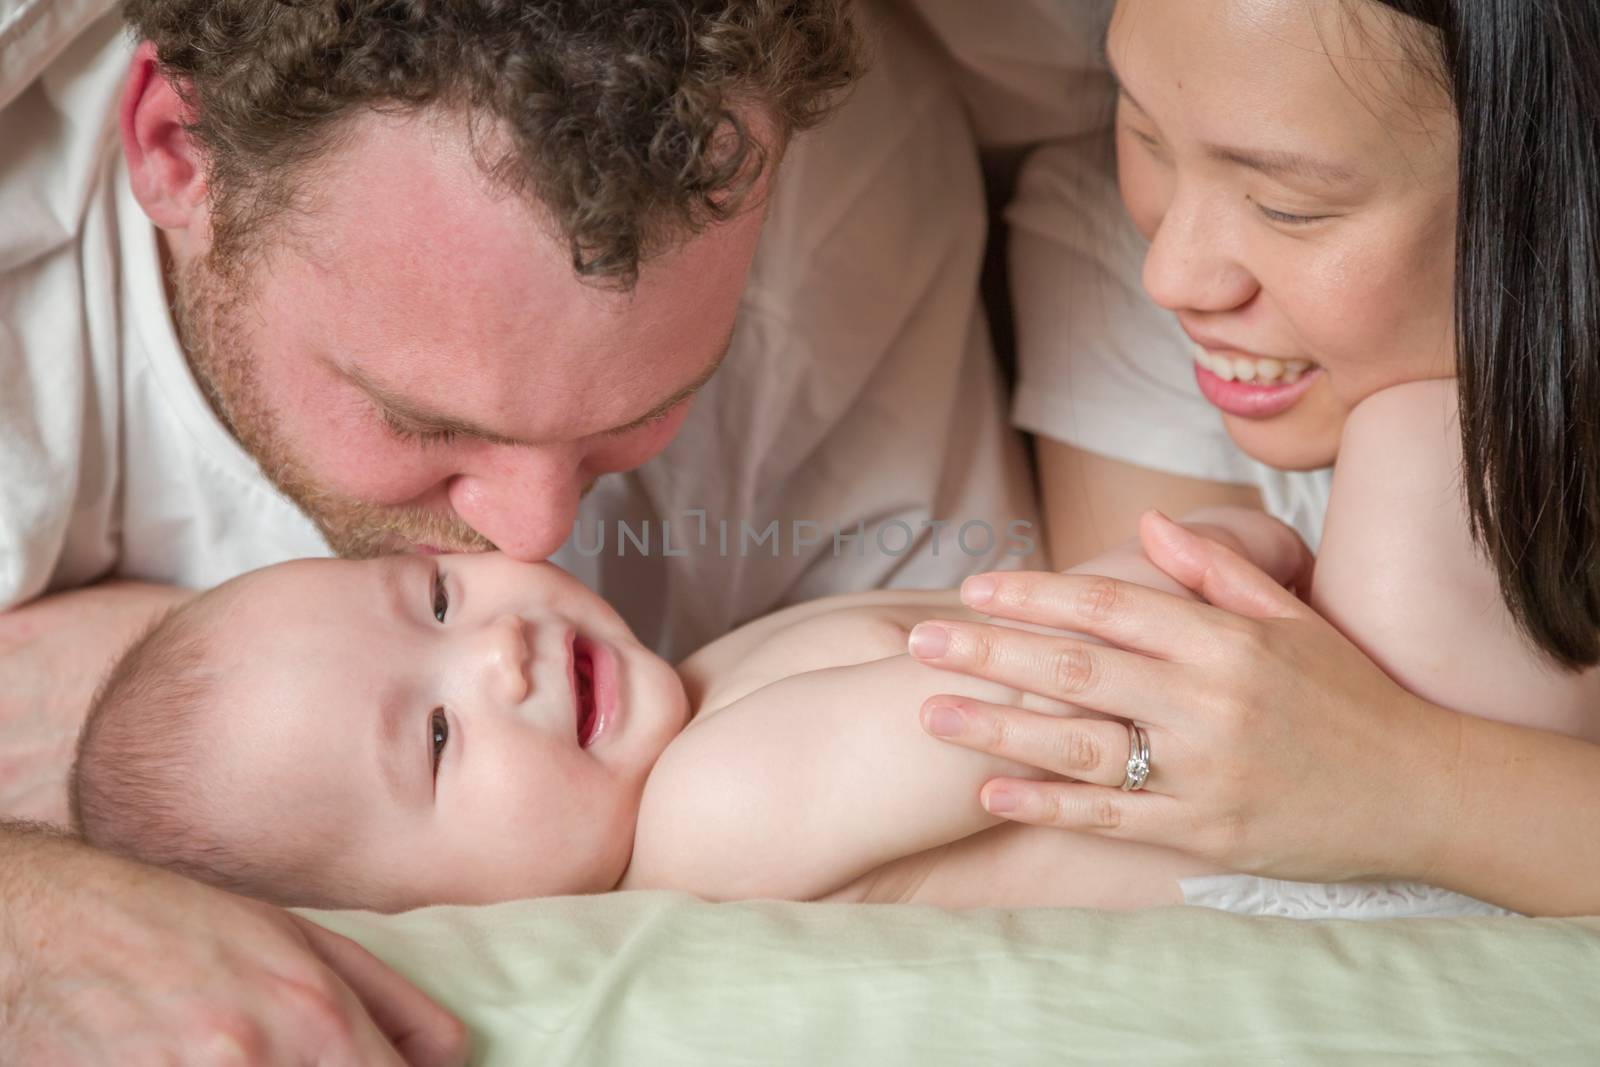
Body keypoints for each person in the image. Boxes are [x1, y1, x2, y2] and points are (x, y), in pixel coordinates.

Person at [3, 0, 1117, 1058]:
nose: (529, 543)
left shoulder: (833, 209)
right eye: (422, 420)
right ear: (175, 151)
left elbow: (1032, 724)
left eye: (643, 415)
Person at [911, 0, 1600, 918]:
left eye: (1292, 206)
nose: (1175, 277)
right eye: (1146, 132)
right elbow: (1197, 782)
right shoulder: (1118, 261)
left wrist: (1418, 783)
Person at [64, 498, 1510, 917]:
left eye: (436, 602)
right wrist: (1210, 565)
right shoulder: (709, 815)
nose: (494, 658)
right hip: (1348, 872)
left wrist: (1174, 564)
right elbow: (1023, 695)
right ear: (432, 919)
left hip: (1332, 773)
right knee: (1420, 459)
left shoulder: (714, 686)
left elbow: (1048, 635)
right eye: (433, 739)